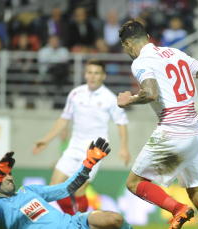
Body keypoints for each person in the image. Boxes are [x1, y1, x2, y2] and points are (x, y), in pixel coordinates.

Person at [117, 20, 198, 229]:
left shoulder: (140, 62)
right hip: (195, 132)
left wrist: (129, 99)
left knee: (134, 183)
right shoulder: (175, 53)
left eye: (125, 48)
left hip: (173, 132)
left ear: (128, 45)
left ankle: (178, 209)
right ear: (148, 38)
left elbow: (150, 93)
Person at [32, 60, 130, 215]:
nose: (92, 76)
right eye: (89, 72)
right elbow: (64, 118)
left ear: (103, 76)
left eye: (96, 73)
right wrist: (47, 139)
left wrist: (124, 147)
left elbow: (121, 122)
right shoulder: (76, 93)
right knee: (54, 187)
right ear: (85, 74)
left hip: (94, 150)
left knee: (79, 190)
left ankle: (80, 222)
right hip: (74, 147)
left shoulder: (110, 98)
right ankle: (73, 220)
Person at [0, 138, 133, 229]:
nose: (9, 177)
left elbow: (65, 188)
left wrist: (88, 164)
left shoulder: (27, 190)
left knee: (115, 219)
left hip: (73, 223)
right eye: (3, 175)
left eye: (9, 173)